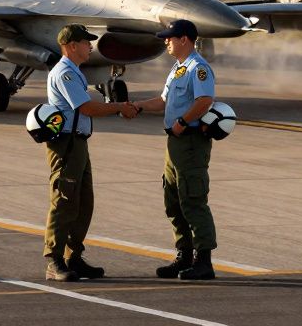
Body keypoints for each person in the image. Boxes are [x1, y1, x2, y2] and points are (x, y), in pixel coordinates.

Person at [42, 23, 138, 282]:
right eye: (86, 42)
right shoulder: (65, 74)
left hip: (78, 143)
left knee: (83, 203)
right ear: (72, 46)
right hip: (66, 144)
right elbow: (85, 108)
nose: (90, 46)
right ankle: (54, 259)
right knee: (64, 201)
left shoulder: (75, 72)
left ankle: (74, 257)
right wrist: (119, 107)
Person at [131, 19, 218, 280]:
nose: (166, 41)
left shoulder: (198, 69)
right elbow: (163, 101)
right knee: (173, 199)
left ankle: (204, 261)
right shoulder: (178, 69)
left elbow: (205, 100)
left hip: (190, 142)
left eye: (170, 37)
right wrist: (137, 105)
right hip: (175, 143)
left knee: (192, 199)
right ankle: (184, 255)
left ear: (185, 39)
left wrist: (182, 122)